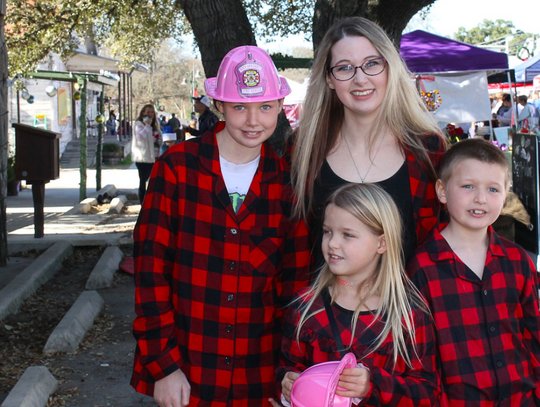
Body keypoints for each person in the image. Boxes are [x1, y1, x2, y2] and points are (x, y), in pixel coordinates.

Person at [131, 45, 311, 407]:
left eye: (265, 107)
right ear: (219, 106)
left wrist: (290, 372)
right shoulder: (177, 168)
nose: (253, 121)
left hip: (260, 374)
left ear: (279, 107)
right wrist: (163, 367)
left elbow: (296, 288)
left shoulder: (288, 182)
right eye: (239, 107)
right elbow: (150, 271)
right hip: (187, 368)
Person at [291, 17, 446, 268]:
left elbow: (446, 243)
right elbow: (292, 249)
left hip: (408, 306)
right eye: (344, 68)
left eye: (372, 64)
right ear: (329, 79)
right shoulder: (303, 150)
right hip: (324, 306)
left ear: (390, 69)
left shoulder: (429, 150)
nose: (360, 79)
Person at [275, 183, 438, 407]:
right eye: (327, 232)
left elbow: (427, 393)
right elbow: (288, 366)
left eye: (347, 235)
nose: (332, 243)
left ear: (381, 243)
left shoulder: (408, 314)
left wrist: (373, 386)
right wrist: (288, 383)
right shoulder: (306, 306)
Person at [407, 138, 540, 407]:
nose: (480, 198)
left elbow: (533, 333)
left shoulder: (517, 260)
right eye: (468, 186)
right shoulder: (422, 268)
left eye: (493, 189)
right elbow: (420, 355)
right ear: (442, 191)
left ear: (506, 196)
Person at [132, 104, 161, 204]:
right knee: (143, 181)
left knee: (153, 182)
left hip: (154, 156)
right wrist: (147, 125)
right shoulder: (139, 124)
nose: (150, 114)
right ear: (143, 112)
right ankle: (143, 202)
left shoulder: (155, 125)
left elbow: (157, 138)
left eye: (152, 112)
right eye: (148, 112)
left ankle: (152, 201)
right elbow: (140, 137)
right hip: (143, 157)